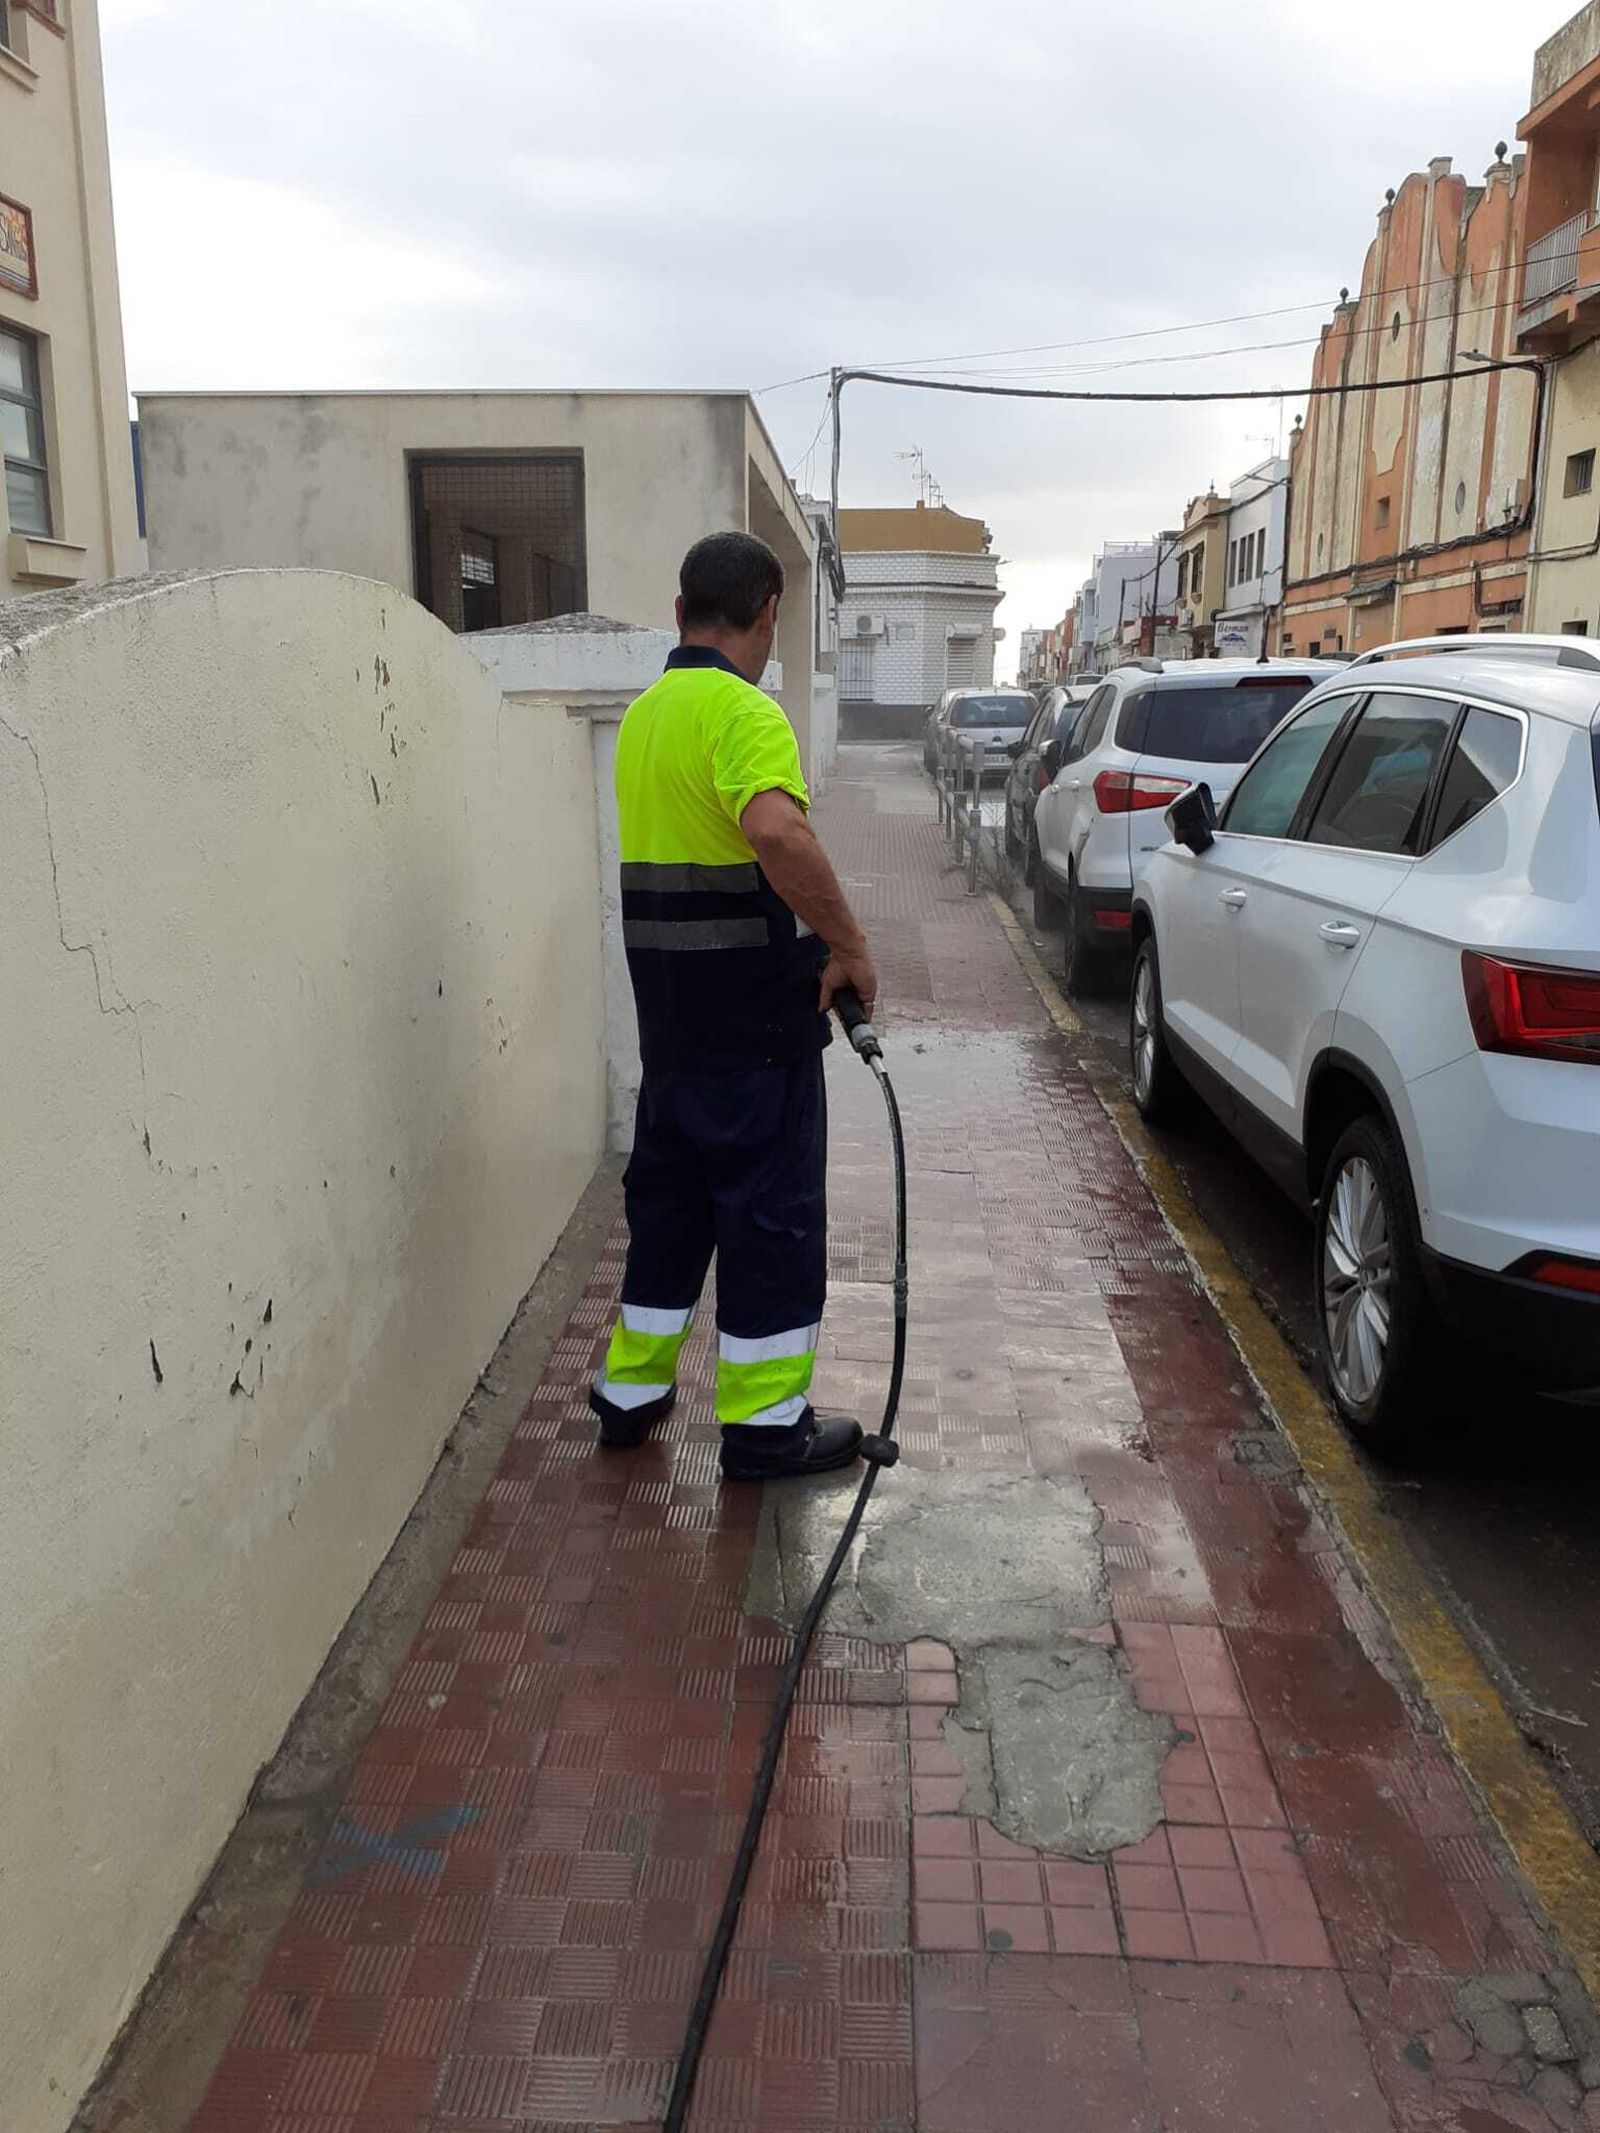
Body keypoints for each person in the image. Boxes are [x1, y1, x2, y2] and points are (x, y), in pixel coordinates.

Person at [589, 530, 878, 1481]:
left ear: (679, 614)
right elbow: (774, 831)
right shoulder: (745, 715)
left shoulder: (644, 718)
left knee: (665, 1223)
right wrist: (849, 947)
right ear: (766, 617)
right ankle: (763, 1430)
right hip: (755, 1044)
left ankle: (630, 1398)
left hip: (669, 1039)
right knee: (769, 1228)